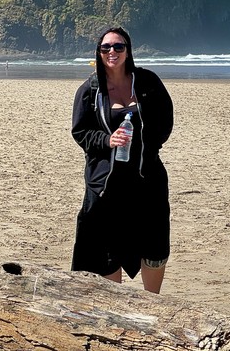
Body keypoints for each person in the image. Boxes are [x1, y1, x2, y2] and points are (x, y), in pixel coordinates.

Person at [71, 26, 173, 293]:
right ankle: (116, 308)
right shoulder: (90, 90)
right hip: (106, 184)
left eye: (118, 47)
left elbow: (165, 121)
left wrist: (145, 147)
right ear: (99, 52)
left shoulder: (148, 82)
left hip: (146, 179)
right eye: (106, 48)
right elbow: (80, 133)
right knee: (106, 249)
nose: (112, 52)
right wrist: (107, 141)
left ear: (128, 51)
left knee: (154, 245)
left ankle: (154, 305)